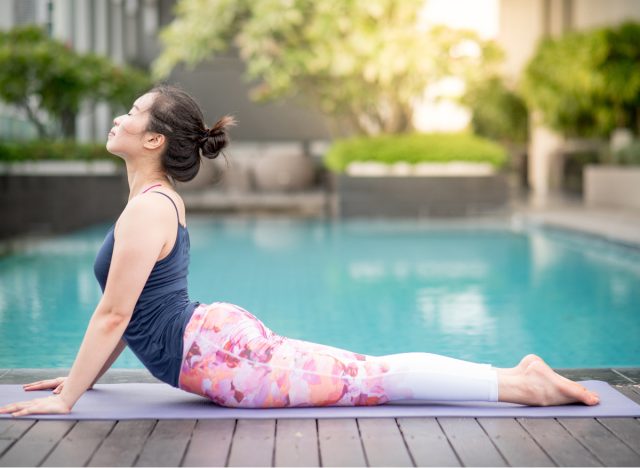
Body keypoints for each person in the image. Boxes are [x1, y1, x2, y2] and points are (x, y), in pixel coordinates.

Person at [0, 85, 600, 417]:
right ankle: (515, 377)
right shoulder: (151, 202)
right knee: (370, 373)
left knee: (371, 378)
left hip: (222, 356)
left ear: (154, 139)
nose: (118, 117)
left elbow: (114, 315)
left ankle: (523, 385)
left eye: (132, 113)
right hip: (214, 347)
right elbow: (121, 313)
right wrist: (77, 381)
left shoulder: (149, 208)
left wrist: (70, 398)